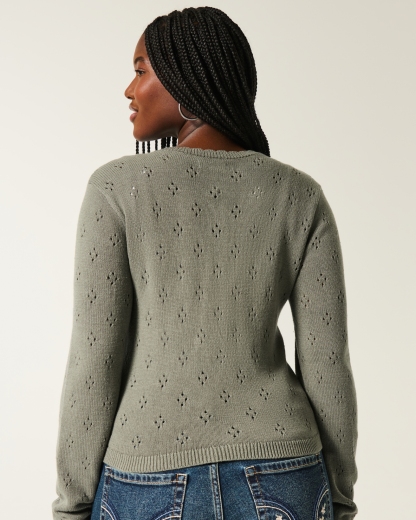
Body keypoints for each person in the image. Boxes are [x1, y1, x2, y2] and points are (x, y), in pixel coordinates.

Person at [52, 7, 358, 520]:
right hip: (286, 473)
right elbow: (329, 365)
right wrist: (339, 496)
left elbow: (94, 361)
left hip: (147, 477)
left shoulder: (115, 188)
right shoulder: (300, 195)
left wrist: (72, 504)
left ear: (184, 79)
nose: (129, 90)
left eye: (141, 70)